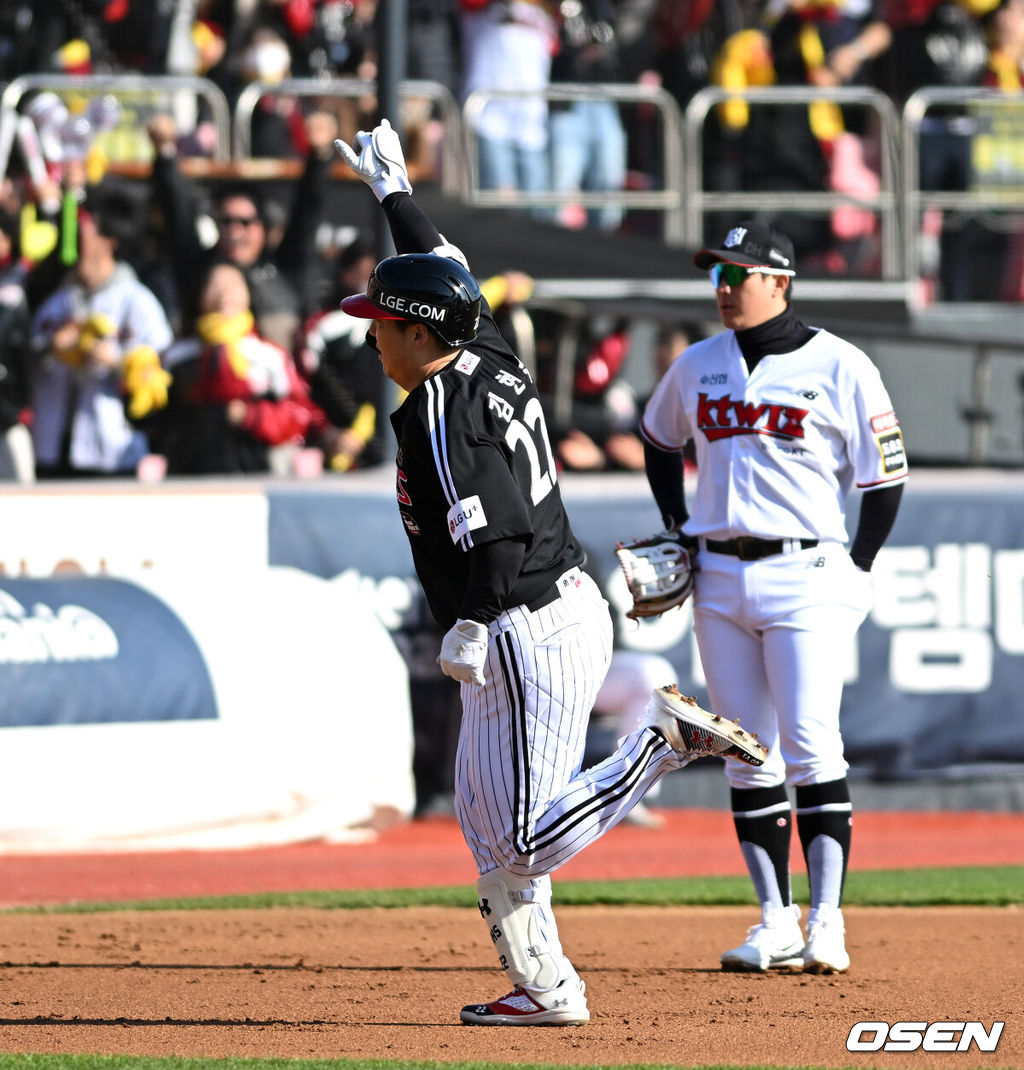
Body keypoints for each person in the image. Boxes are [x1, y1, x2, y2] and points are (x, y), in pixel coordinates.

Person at [334, 117, 767, 1026]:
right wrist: (393, 197)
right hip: (544, 610)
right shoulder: (481, 348)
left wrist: (474, 623)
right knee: (485, 826)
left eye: (382, 321)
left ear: (417, 333)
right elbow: (444, 267)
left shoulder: (438, 412)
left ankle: (659, 743)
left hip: (524, 618)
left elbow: (490, 532)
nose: (372, 334)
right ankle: (548, 989)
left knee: (523, 836)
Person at [639, 219, 909, 975]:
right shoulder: (698, 365)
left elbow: (884, 476)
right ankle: (774, 919)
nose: (725, 288)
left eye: (740, 274)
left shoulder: (842, 364)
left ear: (780, 281)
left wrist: (858, 563)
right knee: (746, 754)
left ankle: (827, 921)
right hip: (719, 577)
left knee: (811, 741)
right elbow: (659, 440)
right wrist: (676, 526)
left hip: (806, 574)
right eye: (718, 275)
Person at [29, 182, 174, 478]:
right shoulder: (58, 301)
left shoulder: (136, 300)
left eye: (85, 231)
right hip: (53, 446)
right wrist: (53, 347)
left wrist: (118, 362)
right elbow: (27, 359)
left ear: (110, 240)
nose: (77, 240)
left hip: (113, 450)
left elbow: (162, 370)